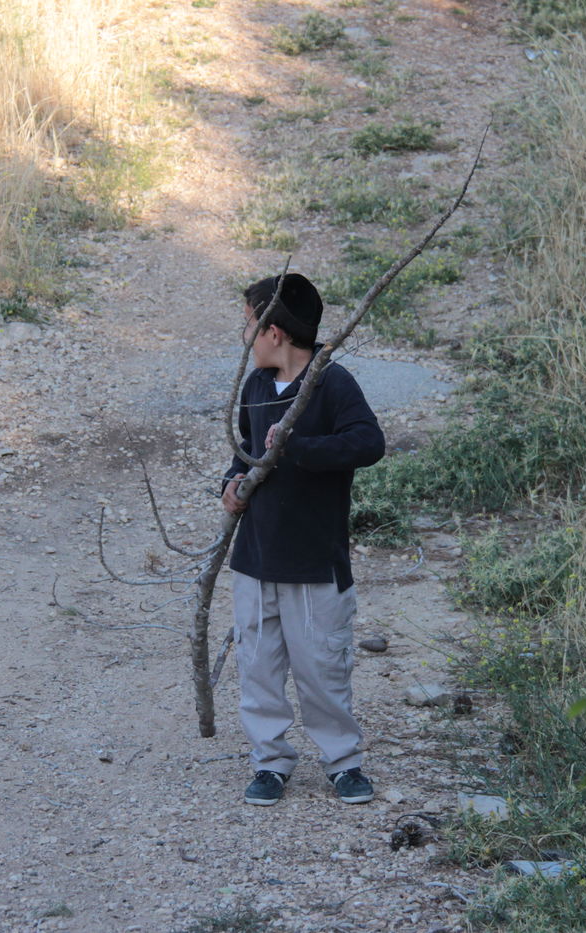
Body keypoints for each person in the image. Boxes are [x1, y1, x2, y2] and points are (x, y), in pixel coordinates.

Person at [221, 272, 385, 806]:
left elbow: (368, 442)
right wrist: (231, 483)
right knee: (258, 666)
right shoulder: (255, 387)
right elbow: (246, 451)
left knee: (322, 668)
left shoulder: (330, 383)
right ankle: (269, 761)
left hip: (315, 562)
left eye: (248, 323)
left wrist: (299, 447)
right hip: (256, 559)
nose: (243, 335)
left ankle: (343, 761)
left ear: (275, 333)